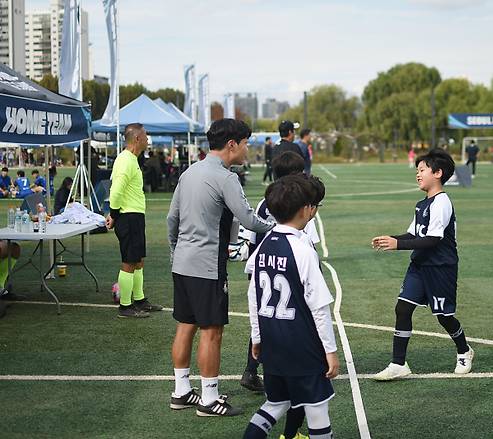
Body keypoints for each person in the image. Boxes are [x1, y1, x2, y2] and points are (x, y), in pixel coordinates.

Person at [167, 118, 275, 417]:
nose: (246, 148)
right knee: (211, 331)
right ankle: (209, 398)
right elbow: (250, 220)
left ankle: (181, 392)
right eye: (245, 143)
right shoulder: (227, 178)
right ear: (232, 144)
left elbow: (171, 221)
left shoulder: (189, 172)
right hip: (207, 266)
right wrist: (280, 229)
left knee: (185, 325)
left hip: (183, 263)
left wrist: (176, 254)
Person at [243, 174, 339, 439]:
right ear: (306, 210)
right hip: (302, 345)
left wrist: (258, 335)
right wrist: (330, 351)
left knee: (275, 403)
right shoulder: (302, 249)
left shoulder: (263, 247)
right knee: (317, 408)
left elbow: (253, 294)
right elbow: (319, 307)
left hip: (273, 341)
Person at [371, 148, 473, 381]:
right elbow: (412, 233)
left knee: (444, 316)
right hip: (419, 266)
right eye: (417, 170)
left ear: (437, 173)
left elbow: (433, 239)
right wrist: (391, 238)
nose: (417, 175)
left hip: (440, 268)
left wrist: (397, 244)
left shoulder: (442, 202)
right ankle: (398, 363)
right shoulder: (422, 204)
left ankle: (464, 350)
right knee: (403, 308)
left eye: (422, 170)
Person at [106, 123, 162, 318]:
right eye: (146, 136)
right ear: (137, 138)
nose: (148, 139)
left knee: (138, 261)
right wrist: (113, 214)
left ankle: (139, 300)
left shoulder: (131, 159)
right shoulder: (125, 160)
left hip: (135, 216)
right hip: (127, 217)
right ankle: (125, 306)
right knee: (129, 262)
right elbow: (116, 191)